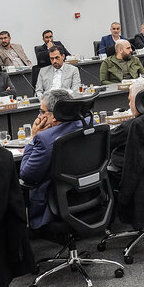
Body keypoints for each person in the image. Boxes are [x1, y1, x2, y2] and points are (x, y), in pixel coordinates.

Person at [20, 89, 91, 229]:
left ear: (54, 116)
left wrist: (32, 138)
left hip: (55, 207)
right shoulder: (89, 123)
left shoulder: (45, 140)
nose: (38, 116)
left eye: (41, 112)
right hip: (88, 197)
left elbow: (26, 175)